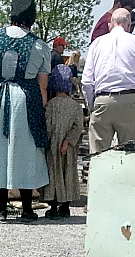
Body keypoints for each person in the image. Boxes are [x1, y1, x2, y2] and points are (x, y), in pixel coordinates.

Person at [0, 0, 51, 223]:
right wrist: (40, 109)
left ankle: (3, 209)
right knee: (24, 150)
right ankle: (26, 209)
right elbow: (42, 85)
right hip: (25, 99)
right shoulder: (39, 45)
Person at [82, 9, 135, 153]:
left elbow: (87, 82)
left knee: (98, 156)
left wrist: (92, 106)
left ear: (110, 25)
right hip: (130, 100)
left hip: (102, 99)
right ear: (129, 25)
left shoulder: (96, 44)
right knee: (130, 156)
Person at [43, 64, 83, 218]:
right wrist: (68, 141)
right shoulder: (76, 106)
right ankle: (66, 206)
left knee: (53, 173)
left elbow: (46, 125)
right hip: (69, 147)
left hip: (52, 145)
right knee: (69, 172)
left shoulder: (50, 105)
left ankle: (53, 206)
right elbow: (78, 126)